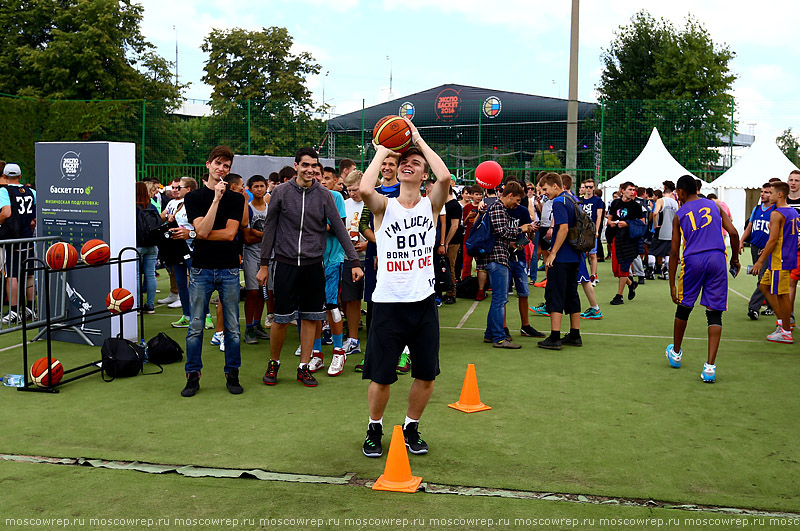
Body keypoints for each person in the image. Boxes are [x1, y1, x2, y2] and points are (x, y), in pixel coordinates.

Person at [358, 120, 450, 458]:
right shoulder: (386, 206)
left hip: (423, 302)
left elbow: (445, 178)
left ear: (422, 174)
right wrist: (385, 145)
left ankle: (411, 426)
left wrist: (418, 140)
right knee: (381, 376)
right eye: (403, 162)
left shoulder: (432, 204)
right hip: (388, 303)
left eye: (415, 163)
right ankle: (374, 427)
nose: (408, 165)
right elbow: (366, 189)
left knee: (426, 374)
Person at [258, 148, 363, 388]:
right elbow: (270, 229)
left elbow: (339, 228)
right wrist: (264, 264)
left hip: (314, 265)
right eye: (305, 165)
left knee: (310, 318)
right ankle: (274, 362)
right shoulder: (281, 193)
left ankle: (304, 366)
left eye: (314, 166)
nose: (310, 170)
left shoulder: (325, 195)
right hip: (284, 264)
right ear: (296, 166)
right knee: (281, 319)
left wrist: (354, 262)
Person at [180, 146, 246, 397]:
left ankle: (233, 373)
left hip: (229, 269)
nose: (221, 169)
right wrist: (216, 199)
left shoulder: (237, 198)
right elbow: (204, 230)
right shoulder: (194, 197)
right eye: (217, 164)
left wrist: (197, 233)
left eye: (226, 166)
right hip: (200, 269)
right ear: (208, 165)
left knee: (232, 327)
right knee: (195, 326)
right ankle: (193, 375)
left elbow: (230, 234)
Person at [667, 175, 740, 382]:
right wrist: (734, 259)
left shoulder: (679, 214)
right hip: (717, 258)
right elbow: (733, 233)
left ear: (680, 192)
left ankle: (677, 353)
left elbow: (673, 253)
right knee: (714, 313)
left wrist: (672, 284)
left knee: (683, 307)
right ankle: (710, 367)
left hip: (693, 260)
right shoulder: (714, 205)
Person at [478, 181, 536, 349]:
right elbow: (502, 231)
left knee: (498, 298)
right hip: (497, 258)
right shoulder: (498, 207)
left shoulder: (498, 207)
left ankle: (490, 334)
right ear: (510, 195)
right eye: (517, 200)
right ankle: (499, 338)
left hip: (497, 257)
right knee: (500, 298)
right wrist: (521, 229)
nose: (517, 204)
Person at [538, 173, 582, 349]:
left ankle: (555, 337)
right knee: (572, 293)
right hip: (574, 255)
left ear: (555, 185)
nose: (545, 193)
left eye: (546, 189)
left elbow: (563, 228)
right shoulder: (572, 199)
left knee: (555, 293)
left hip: (562, 256)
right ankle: (575, 334)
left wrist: (553, 252)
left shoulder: (558, 202)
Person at [751, 181, 799, 344]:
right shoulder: (792, 212)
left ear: (779, 194)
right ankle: (782, 323)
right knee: (764, 286)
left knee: (782, 295)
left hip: (781, 260)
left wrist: (759, 261)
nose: (767, 195)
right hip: (782, 258)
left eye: (770, 192)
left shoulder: (777, 213)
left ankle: (786, 330)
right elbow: (782, 237)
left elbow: (772, 241)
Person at [0, 163, 36, 323]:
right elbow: (35, 217)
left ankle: (14, 312)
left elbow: (6, 212)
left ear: (5, 176)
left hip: (12, 238)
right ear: (20, 176)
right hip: (28, 238)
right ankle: (30, 309)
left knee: (11, 275)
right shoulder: (31, 191)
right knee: (29, 274)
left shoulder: (4, 190)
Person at [342, 170, 368, 365]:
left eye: (356, 189)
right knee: (351, 299)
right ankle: (353, 339)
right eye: (349, 190)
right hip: (350, 259)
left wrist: (368, 243)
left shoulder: (373, 202)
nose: (352, 193)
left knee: (375, 300)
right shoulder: (344, 204)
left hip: (371, 257)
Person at [242, 175, 270, 345]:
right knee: (252, 291)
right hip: (251, 253)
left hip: (268, 255)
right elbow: (247, 237)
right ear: (249, 188)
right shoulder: (248, 208)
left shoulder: (270, 207)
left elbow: (276, 232)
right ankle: (249, 327)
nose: (259, 189)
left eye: (262, 186)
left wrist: (257, 233)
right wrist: (266, 235)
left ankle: (257, 324)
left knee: (262, 292)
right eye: (255, 186)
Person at [740, 183, 775, 320]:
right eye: (762, 191)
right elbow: (750, 226)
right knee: (762, 277)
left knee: (763, 278)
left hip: (767, 248)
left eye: (766, 192)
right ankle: (772, 305)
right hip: (755, 246)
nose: (763, 194)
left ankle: (754, 308)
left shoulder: (775, 210)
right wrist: (742, 240)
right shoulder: (757, 208)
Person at [606, 182, 644, 305]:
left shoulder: (636, 206)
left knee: (623, 268)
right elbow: (609, 218)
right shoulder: (615, 203)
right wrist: (610, 223)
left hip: (629, 240)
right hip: (616, 238)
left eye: (633, 190)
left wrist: (627, 224)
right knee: (616, 270)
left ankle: (619, 295)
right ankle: (631, 283)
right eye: (630, 189)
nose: (632, 192)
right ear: (622, 190)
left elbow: (642, 223)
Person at [134, 181, 159, 315]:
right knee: (150, 274)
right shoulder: (152, 206)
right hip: (152, 244)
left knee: (136, 275)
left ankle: (137, 306)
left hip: (137, 244)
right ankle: (150, 305)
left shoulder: (132, 207)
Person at [649, 181, 679, 280]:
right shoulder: (675, 202)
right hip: (671, 231)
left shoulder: (661, 200)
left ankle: (650, 271)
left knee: (652, 251)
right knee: (668, 252)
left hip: (661, 230)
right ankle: (666, 272)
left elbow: (655, 213)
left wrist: (655, 225)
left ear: (664, 188)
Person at [579, 178, 604, 285]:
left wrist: (597, 230)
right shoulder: (579, 200)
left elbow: (599, 216)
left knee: (593, 254)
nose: (588, 189)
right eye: (586, 187)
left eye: (590, 187)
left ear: (594, 188)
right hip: (581, 231)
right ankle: (583, 275)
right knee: (581, 254)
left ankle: (593, 275)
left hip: (592, 230)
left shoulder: (598, 201)